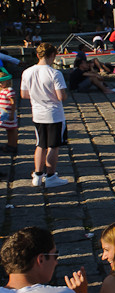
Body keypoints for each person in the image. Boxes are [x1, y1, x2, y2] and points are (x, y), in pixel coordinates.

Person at [22, 43, 70, 188]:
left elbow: (24, 95)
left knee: (40, 144)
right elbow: (61, 96)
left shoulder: (27, 72)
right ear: (53, 55)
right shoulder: (55, 73)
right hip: (54, 114)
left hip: (37, 113)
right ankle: (50, 176)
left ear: (38, 55)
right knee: (53, 146)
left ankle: (37, 175)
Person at [0, 67, 18, 154]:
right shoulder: (2, 90)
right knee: (8, 129)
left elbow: (13, 102)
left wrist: (12, 113)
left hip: (9, 113)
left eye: (2, 82)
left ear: (7, 81)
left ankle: (13, 145)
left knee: (12, 129)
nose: (0, 84)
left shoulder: (9, 90)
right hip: (4, 113)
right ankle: (10, 144)